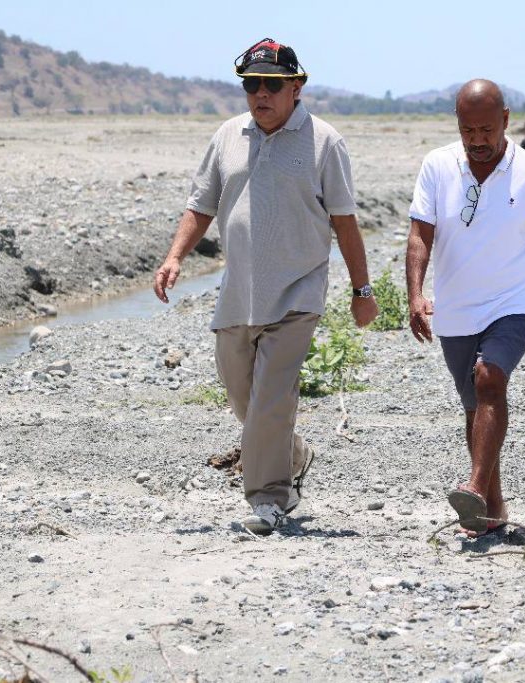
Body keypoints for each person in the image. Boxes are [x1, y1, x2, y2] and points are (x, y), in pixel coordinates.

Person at [152, 37, 378, 534]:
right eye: (252, 84)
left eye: (272, 85)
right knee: (245, 401)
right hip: (239, 292)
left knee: (271, 400)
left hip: (298, 292)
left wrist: (362, 292)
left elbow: (345, 222)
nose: (260, 93)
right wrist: (174, 258)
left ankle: (269, 500)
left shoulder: (325, 142)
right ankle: (293, 454)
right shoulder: (227, 135)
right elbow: (201, 206)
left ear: (297, 88)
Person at [406, 79, 525, 537]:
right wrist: (414, 293)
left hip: (514, 305)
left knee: (489, 380)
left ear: (505, 120)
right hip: (456, 310)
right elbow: (420, 234)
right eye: (467, 130)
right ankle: (492, 508)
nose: (477, 140)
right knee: (475, 406)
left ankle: (472, 487)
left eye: (486, 130)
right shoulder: (437, 166)